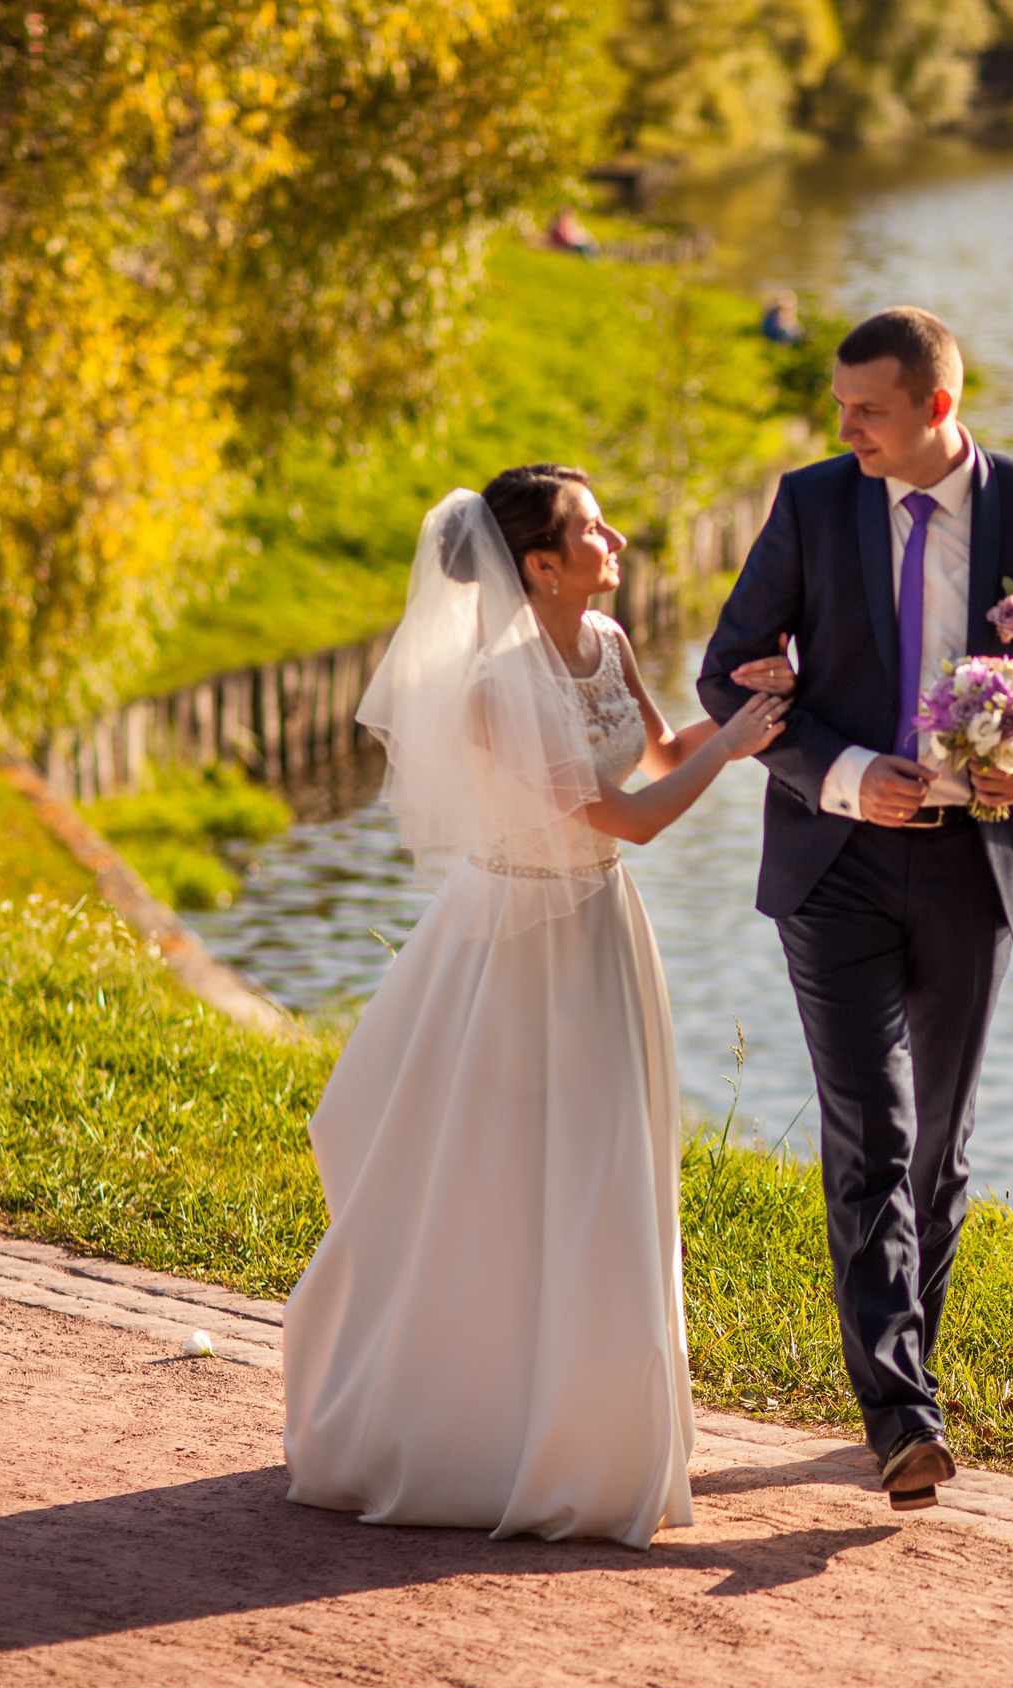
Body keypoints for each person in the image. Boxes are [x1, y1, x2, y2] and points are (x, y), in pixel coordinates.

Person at [283, 465, 794, 1547]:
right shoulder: (492, 690)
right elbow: (629, 816)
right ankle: (476, 1432)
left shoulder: (604, 642)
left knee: (609, 1168)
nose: (616, 535)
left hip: (601, 936)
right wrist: (737, 751)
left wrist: (750, 716)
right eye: (589, 526)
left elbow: (660, 755)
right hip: (516, 950)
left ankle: (593, 1432)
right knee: (506, 1175)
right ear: (540, 566)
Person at [698, 308, 1013, 1510]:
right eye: (842, 408)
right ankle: (900, 1413)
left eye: (868, 409)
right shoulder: (810, 504)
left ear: (937, 406)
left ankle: (909, 1372)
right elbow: (724, 668)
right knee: (871, 1132)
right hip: (832, 867)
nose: (847, 429)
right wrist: (841, 772)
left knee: (939, 1145)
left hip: (972, 864)